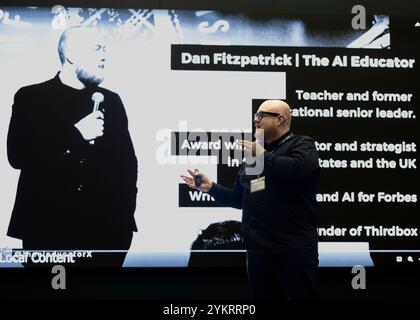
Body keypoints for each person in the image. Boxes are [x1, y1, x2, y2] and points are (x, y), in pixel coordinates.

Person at [6, 26, 138, 267]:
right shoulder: (31, 97)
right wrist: (75, 135)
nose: (104, 56)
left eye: (105, 49)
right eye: (97, 49)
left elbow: (128, 165)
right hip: (46, 230)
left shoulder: (112, 100)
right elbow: (18, 155)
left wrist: (124, 220)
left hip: (106, 234)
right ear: (72, 54)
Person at [181, 100, 321, 299]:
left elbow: (295, 171)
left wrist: (262, 154)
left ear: (280, 119)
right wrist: (210, 187)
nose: (256, 119)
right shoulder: (253, 158)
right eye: (256, 115)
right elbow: (239, 199)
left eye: (261, 115)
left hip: (293, 248)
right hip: (258, 252)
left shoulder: (301, 144)